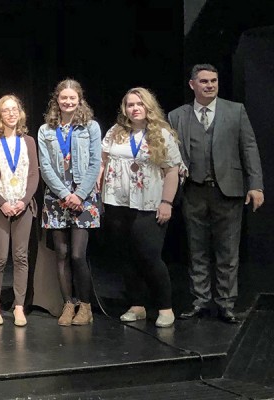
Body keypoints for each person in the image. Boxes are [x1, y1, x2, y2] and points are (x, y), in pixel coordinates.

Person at [168, 64, 264, 324]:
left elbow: (249, 147)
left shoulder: (235, 111)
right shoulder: (177, 116)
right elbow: (169, 154)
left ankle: (226, 303)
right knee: (196, 249)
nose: (210, 85)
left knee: (227, 251)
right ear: (192, 85)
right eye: (204, 81)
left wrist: (255, 185)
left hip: (228, 190)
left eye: (213, 81)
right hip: (193, 191)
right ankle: (200, 301)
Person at [101, 87, 181, 328]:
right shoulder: (116, 132)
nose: (134, 108)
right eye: (130, 105)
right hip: (117, 202)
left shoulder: (162, 134)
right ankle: (137, 306)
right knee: (126, 256)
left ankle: (165, 308)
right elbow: (103, 162)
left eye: (139, 104)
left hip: (149, 204)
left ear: (148, 107)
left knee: (149, 256)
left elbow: (172, 171)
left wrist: (167, 202)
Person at [38, 79, 102, 326]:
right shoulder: (46, 130)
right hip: (57, 198)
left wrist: (80, 194)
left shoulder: (90, 127)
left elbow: (95, 162)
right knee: (62, 254)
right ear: (57, 100)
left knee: (77, 254)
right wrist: (65, 194)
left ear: (79, 99)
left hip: (83, 198)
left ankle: (85, 307)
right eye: (63, 98)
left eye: (72, 98)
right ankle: (68, 304)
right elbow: (45, 166)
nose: (68, 102)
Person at [0, 95, 39, 327]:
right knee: (0, 257)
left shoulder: (29, 142)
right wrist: (2, 202)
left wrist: (24, 201)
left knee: (21, 257)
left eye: (15, 109)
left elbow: (34, 174)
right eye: (6, 110)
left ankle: (18, 307)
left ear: (20, 113)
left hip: (23, 207)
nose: (11, 113)